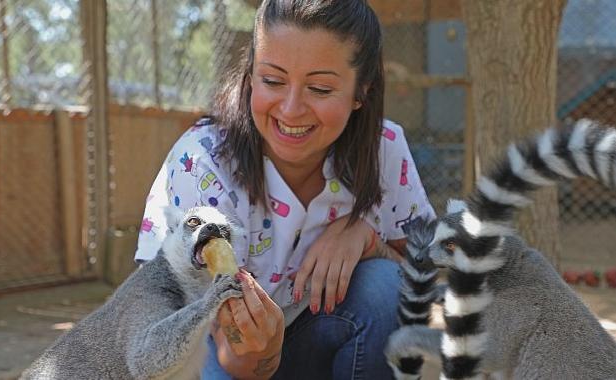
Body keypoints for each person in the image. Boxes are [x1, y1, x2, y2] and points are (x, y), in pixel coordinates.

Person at [135, 0, 435, 378]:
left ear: (362, 91)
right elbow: (218, 352)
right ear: (250, 75)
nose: (291, 110)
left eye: (320, 88)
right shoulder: (202, 166)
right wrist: (256, 352)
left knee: (386, 290)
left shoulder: (383, 148)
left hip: (316, 339)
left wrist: (365, 238)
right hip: (207, 354)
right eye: (273, 80)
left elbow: (421, 276)